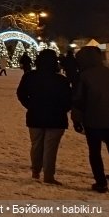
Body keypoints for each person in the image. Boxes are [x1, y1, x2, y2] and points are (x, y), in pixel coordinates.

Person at [17, 49, 71, 185]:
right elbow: (69, 99)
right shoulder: (61, 80)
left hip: (35, 115)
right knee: (50, 148)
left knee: (36, 146)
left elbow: (21, 93)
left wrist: (30, 105)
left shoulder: (30, 76)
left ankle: (36, 171)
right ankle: (48, 175)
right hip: (56, 118)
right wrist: (62, 109)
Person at [72, 46, 109, 193]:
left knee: (95, 152)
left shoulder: (84, 76)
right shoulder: (108, 73)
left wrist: (76, 120)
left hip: (92, 121)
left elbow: (78, 100)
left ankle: (101, 183)